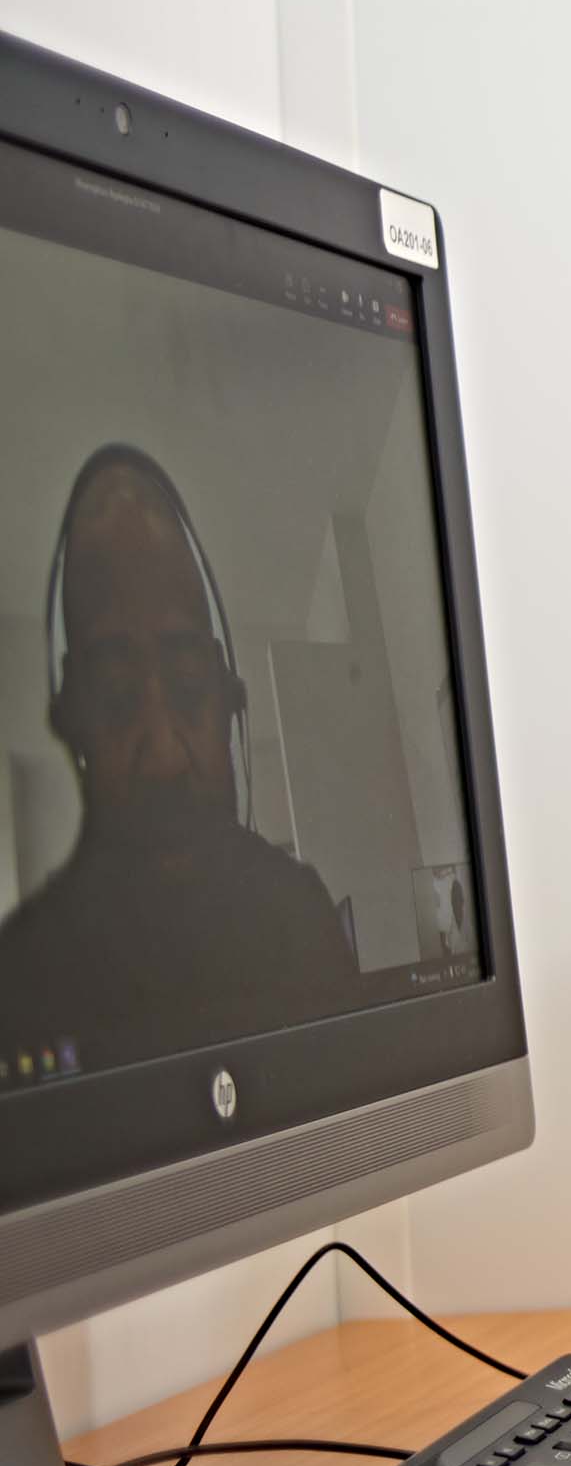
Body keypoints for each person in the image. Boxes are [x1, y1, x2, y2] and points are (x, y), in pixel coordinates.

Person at [0, 446, 357, 1069]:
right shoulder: (20, 977)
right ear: (73, 716)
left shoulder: (304, 914)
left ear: (229, 703)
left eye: (190, 691)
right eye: (116, 701)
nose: (164, 755)